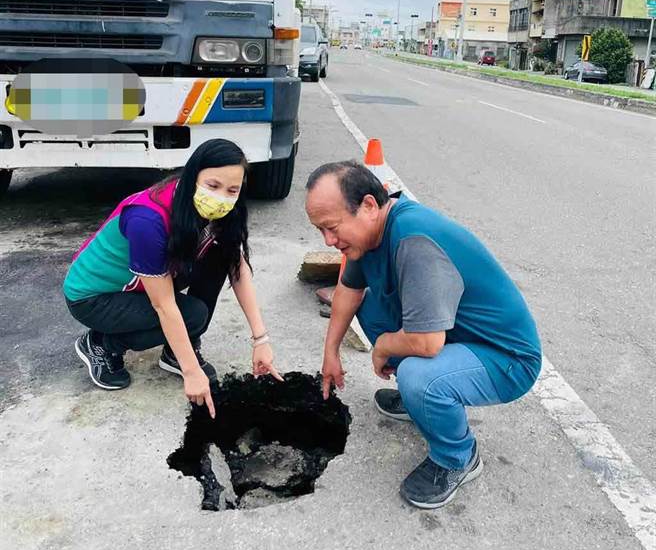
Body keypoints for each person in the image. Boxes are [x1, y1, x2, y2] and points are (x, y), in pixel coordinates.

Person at [305, 160, 542, 510]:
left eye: (332, 227)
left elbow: (426, 343)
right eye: (320, 230)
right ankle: (424, 405)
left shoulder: (414, 241)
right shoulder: (367, 236)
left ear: (368, 206)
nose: (328, 240)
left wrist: (382, 346)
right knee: (370, 307)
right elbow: (348, 291)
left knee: (420, 376)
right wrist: (331, 353)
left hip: (506, 358)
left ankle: (458, 457)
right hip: (456, 336)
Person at [63, 139, 282, 417]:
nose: (221, 198)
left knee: (219, 254)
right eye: (213, 185)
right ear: (192, 177)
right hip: (94, 297)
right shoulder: (147, 219)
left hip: (143, 282)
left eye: (232, 190)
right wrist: (191, 372)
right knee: (193, 315)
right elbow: (164, 306)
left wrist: (261, 339)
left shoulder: (221, 210)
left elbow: (236, 268)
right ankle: (101, 344)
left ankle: (174, 352)